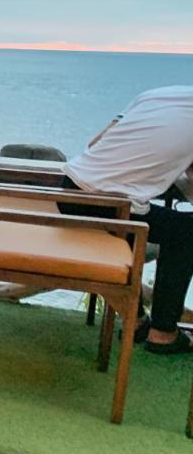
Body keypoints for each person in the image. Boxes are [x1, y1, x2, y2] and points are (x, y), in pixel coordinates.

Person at [61, 86, 193, 353]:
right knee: (186, 233)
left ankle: (138, 322)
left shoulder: (156, 94)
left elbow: (97, 142)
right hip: (109, 207)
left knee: (164, 224)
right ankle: (163, 332)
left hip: (70, 191)